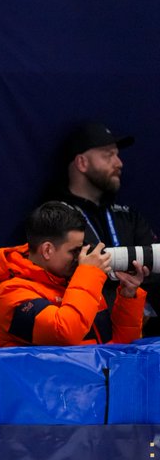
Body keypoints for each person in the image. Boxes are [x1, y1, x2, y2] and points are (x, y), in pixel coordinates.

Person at [0, 201, 149, 346]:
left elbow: (118, 350)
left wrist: (128, 295)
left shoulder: (79, 283)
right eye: (74, 251)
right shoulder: (9, 294)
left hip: (98, 379)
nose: (80, 257)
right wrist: (89, 274)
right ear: (47, 250)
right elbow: (64, 333)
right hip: (49, 380)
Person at [58, 121, 158, 336]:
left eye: (117, 155)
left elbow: (155, 260)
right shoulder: (55, 216)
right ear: (82, 163)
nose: (119, 163)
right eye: (108, 155)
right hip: (84, 333)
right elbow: (66, 268)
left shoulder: (127, 215)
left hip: (138, 327)